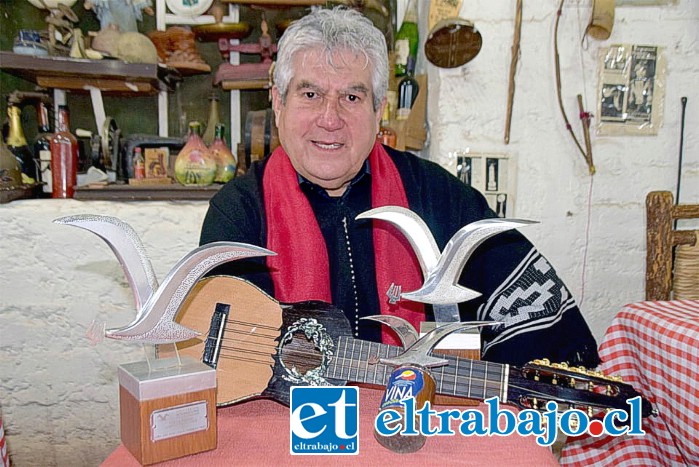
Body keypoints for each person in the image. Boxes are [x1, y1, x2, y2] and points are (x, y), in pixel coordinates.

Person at [200, 7, 600, 368]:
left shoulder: (440, 197)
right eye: (310, 94)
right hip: (288, 436)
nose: (330, 117)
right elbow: (228, 360)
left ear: (379, 110)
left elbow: (538, 326)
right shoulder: (238, 213)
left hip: (418, 425)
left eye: (352, 97)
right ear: (278, 102)